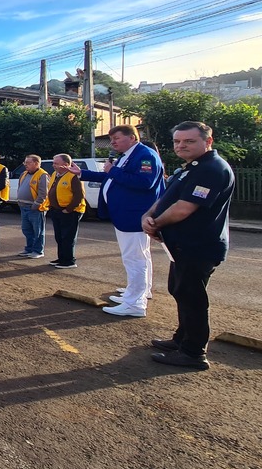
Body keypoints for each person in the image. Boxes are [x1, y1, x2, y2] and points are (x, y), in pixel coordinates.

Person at [142, 121, 234, 370]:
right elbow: (166, 198)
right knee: (180, 291)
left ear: (208, 141)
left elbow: (183, 208)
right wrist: (148, 216)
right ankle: (181, 340)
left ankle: (193, 353)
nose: (181, 146)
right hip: (181, 246)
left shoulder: (211, 169)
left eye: (189, 141)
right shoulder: (191, 168)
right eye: (177, 141)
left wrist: (155, 224)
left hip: (198, 246)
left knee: (192, 298)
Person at [71, 125, 165, 319]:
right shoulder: (128, 155)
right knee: (140, 256)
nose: (112, 142)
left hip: (134, 215)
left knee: (134, 258)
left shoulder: (144, 155)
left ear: (132, 138)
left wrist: (113, 171)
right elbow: (109, 177)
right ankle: (140, 291)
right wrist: (81, 173)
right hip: (127, 214)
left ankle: (135, 303)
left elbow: (144, 182)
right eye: (111, 138)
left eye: (116, 138)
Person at [45, 153, 85, 269]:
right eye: (54, 163)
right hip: (57, 210)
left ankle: (69, 261)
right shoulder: (55, 175)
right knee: (59, 236)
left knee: (68, 237)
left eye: (56, 163)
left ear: (66, 165)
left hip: (70, 211)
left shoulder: (73, 176)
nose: (54, 165)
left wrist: (68, 209)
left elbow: (79, 195)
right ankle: (61, 258)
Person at [15, 155, 49, 258]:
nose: (25, 165)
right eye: (25, 162)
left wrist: (37, 204)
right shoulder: (24, 174)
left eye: (28, 163)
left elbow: (43, 193)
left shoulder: (42, 175)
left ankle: (38, 251)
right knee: (26, 229)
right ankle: (29, 249)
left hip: (35, 208)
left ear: (36, 163)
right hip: (23, 206)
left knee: (37, 231)